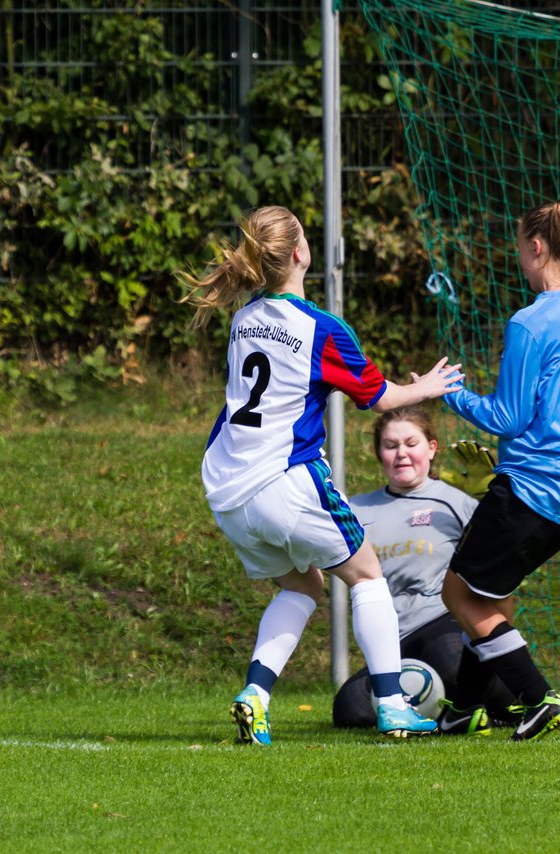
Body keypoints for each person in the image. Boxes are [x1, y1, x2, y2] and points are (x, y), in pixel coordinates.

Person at [180, 205, 464, 746]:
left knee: (303, 584)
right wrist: (426, 386)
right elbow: (379, 398)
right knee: (367, 574)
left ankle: (255, 696)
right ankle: (392, 705)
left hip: (228, 489)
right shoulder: (321, 329)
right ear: (300, 254)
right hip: (284, 479)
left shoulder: (245, 319)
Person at [437, 196, 560, 742]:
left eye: (520, 249)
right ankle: (463, 709)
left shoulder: (531, 321)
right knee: (490, 595)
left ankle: (539, 699)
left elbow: (507, 416)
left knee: (457, 593)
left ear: (537, 246)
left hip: (533, 487)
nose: (520, 258)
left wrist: (450, 393)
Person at [331, 406, 560, 733]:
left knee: (451, 664)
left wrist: (486, 505)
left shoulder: (456, 501)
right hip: (390, 638)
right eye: (390, 445)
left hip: (441, 622)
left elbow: (495, 573)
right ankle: (460, 714)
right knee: (350, 708)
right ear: (379, 453)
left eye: (411, 443)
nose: (401, 453)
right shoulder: (355, 509)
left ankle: (555, 712)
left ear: (432, 448)